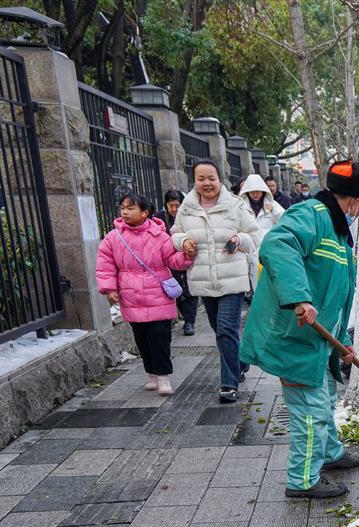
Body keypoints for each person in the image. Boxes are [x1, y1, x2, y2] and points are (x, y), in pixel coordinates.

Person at [241, 160, 359, 499]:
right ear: (354, 201)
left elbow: (335, 300)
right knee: (310, 411)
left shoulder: (336, 232)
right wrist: (299, 298)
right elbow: (277, 245)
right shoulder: (311, 216)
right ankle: (302, 480)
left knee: (326, 398)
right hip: (292, 338)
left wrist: (343, 343)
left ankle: (330, 454)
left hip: (315, 341)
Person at [171, 160, 262, 403]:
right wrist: (182, 242)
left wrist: (238, 240)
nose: (206, 183)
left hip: (232, 280)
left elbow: (253, 236)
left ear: (219, 178)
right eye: (201, 178)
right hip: (203, 279)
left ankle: (228, 383)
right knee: (220, 330)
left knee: (225, 329)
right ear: (194, 181)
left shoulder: (235, 205)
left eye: (211, 177)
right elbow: (175, 233)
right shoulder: (187, 208)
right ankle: (241, 361)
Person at [96, 191, 193, 396]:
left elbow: (172, 260)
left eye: (131, 208)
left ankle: (163, 376)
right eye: (123, 208)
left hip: (157, 293)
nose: (125, 212)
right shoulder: (114, 237)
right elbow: (105, 264)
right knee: (141, 338)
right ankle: (151, 374)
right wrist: (109, 288)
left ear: (145, 212)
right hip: (131, 296)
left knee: (160, 336)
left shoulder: (159, 235)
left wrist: (186, 256)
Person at [162, 189, 198, 336]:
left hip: (188, 257)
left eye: (177, 205)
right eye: (171, 205)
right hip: (170, 260)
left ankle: (190, 321)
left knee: (190, 289)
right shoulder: (160, 219)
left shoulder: (189, 217)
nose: (174, 209)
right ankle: (182, 316)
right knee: (174, 289)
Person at [238, 173, 285, 240]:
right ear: (247, 192)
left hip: (268, 244)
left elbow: (285, 219)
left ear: (263, 191)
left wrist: (274, 211)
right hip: (249, 246)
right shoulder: (241, 206)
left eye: (258, 191)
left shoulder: (273, 204)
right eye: (252, 192)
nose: (255, 194)